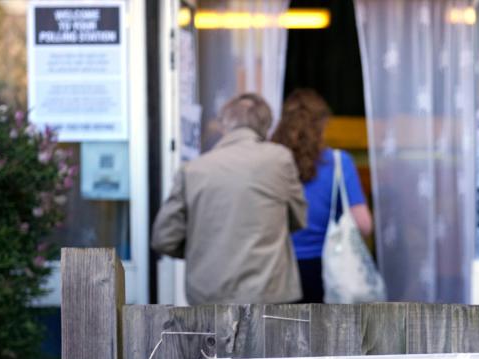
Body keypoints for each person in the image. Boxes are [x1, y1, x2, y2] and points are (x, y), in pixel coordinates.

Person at [151, 93, 307, 305]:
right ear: (266, 126)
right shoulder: (279, 159)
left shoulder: (193, 170)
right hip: (269, 295)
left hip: (208, 297)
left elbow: (164, 238)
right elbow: (298, 219)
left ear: (224, 125)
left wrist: (203, 249)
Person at [271, 89, 373, 303]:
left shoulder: (270, 162)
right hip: (325, 271)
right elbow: (364, 224)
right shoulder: (338, 162)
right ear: (322, 124)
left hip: (276, 269)